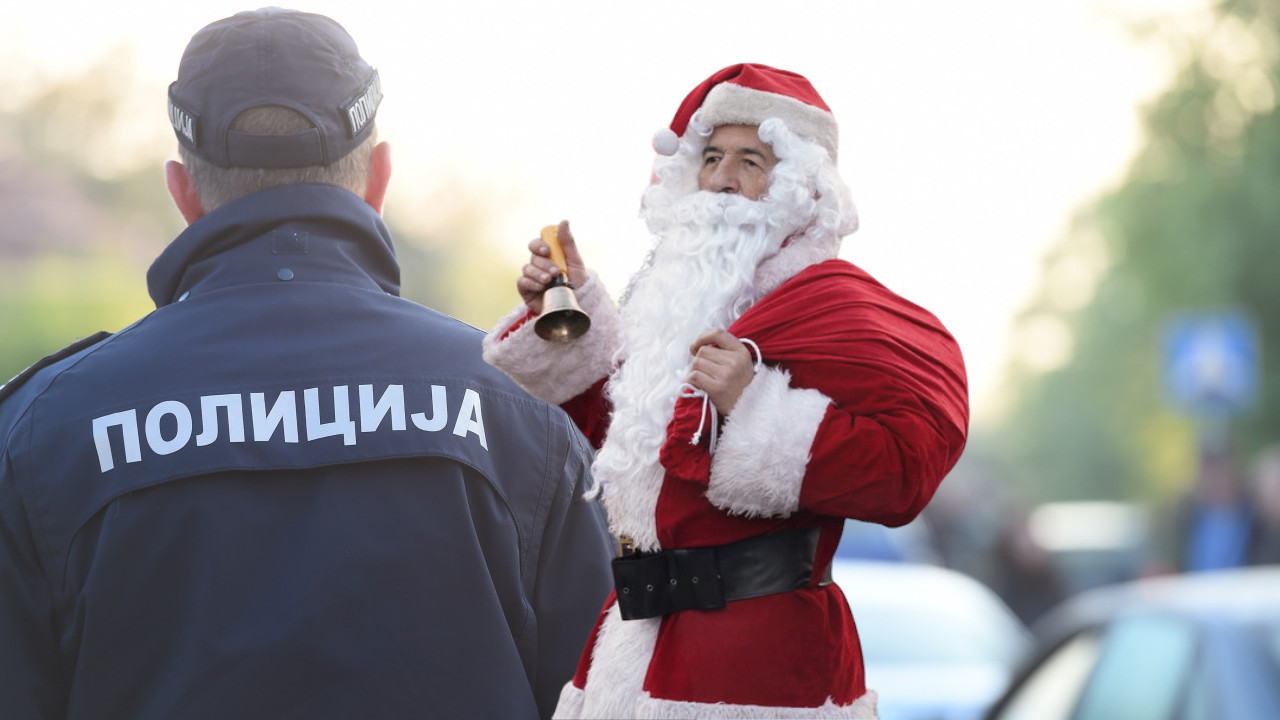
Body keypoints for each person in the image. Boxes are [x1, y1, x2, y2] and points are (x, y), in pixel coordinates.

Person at [0, 8, 613, 720]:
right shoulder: (520, 410)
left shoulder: (44, 429)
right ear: (379, 179)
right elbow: (601, 694)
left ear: (182, 191)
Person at [484, 63, 969, 719]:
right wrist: (565, 320)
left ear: (801, 187)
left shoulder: (839, 306)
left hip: (762, 663)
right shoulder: (674, 306)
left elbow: (904, 471)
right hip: (632, 646)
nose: (722, 179)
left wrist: (757, 407)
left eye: (751, 160)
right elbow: (631, 454)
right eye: (711, 157)